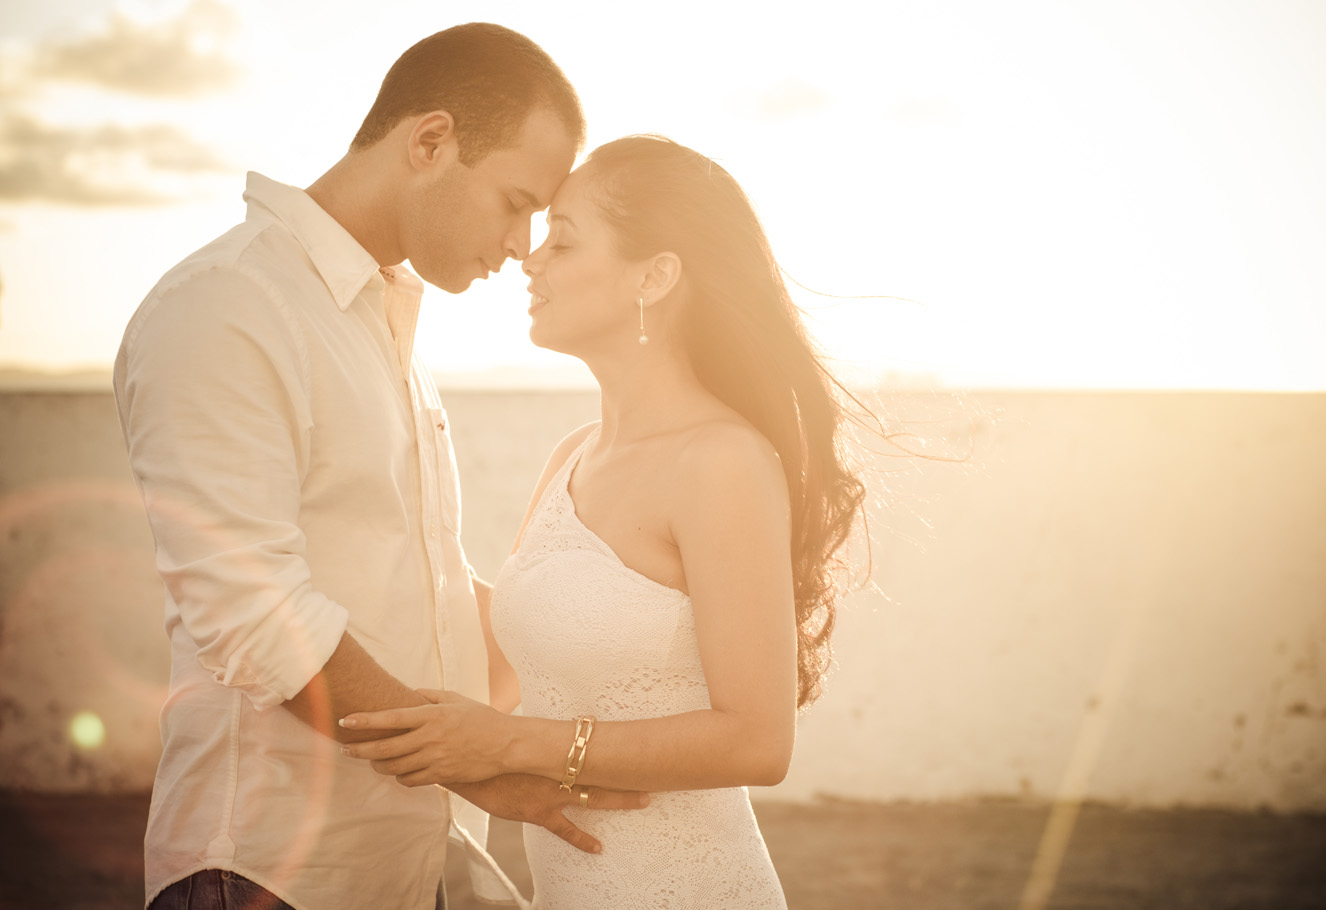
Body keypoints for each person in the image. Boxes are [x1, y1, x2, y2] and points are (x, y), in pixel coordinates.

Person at [114, 24, 645, 910]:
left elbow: (422, 590)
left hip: (411, 863)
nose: (522, 245)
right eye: (516, 200)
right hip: (267, 872)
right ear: (430, 141)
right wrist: (468, 763)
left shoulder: (381, 325)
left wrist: (627, 630)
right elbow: (253, 612)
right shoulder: (227, 306)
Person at [341, 135, 868, 908]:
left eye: (563, 239)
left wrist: (514, 744)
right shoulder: (571, 457)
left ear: (654, 277)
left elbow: (759, 740)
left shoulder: (720, 461)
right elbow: (505, 667)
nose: (531, 258)